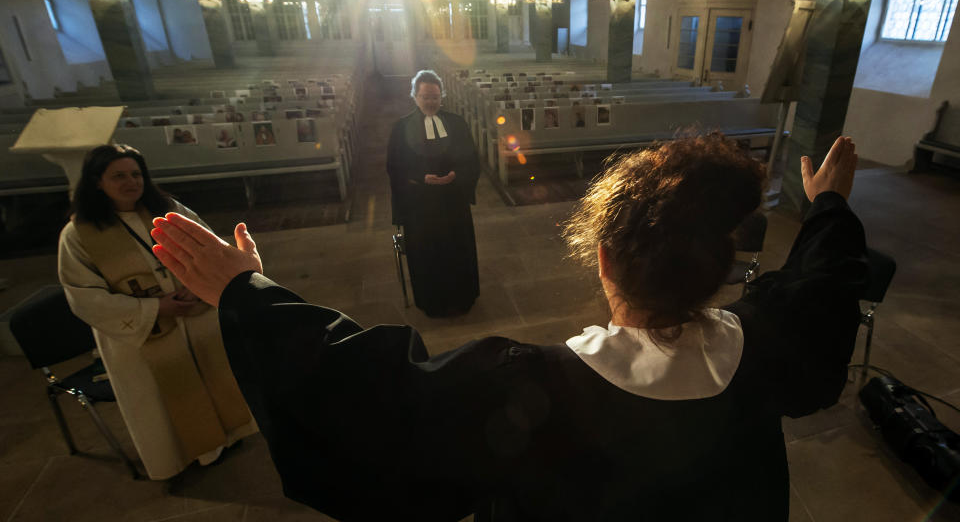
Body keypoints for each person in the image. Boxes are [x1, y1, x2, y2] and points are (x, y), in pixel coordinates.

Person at [151, 134, 868, 521]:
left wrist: (245, 293)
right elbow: (822, 288)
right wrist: (828, 205)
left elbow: (364, 399)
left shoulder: (526, 390)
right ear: (720, 264)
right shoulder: (769, 341)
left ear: (605, 258)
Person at [57, 144, 257, 480]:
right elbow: (84, 297)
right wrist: (156, 307)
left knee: (213, 378)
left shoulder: (169, 210)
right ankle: (181, 458)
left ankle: (229, 438)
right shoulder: (78, 234)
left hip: (194, 317)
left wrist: (196, 287)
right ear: (96, 182)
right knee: (165, 402)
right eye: (118, 176)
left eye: (136, 174)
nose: (130, 182)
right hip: (144, 332)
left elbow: (212, 248)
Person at [386, 69, 480, 316]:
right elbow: (395, 167)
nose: (430, 102)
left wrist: (456, 174)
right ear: (415, 96)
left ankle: (462, 298)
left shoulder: (456, 123)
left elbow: (471, 158)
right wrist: (420, 177)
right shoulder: (401, 128)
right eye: (425, 96)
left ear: (442, 96)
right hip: (420, 205)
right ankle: (433, 302)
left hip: (453, 200)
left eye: (435, 96)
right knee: (429, 256)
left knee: (457, 251)